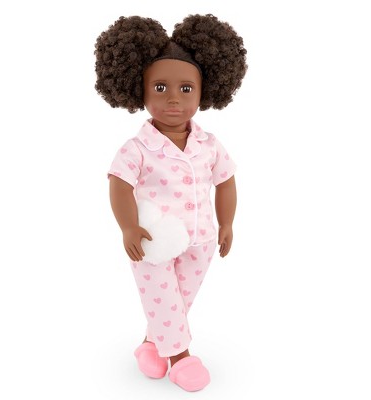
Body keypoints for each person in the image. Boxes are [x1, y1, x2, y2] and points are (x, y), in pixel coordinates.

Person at [94, 14, 247, 391]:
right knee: (163, 297)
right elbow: (119, 184)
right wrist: (128, 227)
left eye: (186, 88)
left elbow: (225, 181)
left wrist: (227, 223)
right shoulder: (136, 148)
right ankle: (180, 359)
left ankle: (150, 346)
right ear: (140, 91)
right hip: (152, 241)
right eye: (160, 87)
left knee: (177, 299)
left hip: (202, 239)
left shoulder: (209, 145)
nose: (173, 98)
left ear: (203, 92)